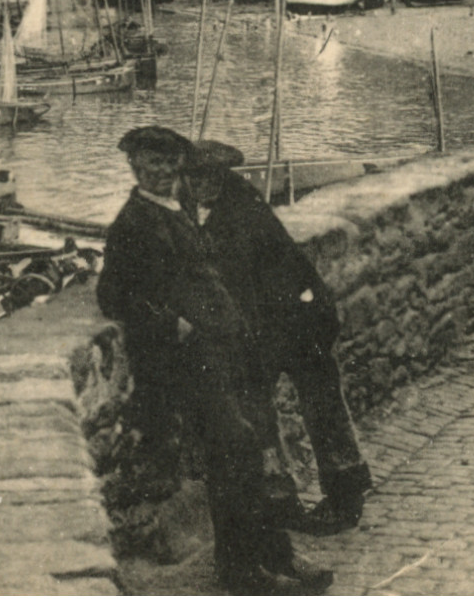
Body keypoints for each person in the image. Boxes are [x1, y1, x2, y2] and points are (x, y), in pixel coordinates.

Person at [98, 125, 329, 595]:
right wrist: (170, 325)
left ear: (177, 166)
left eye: (168, 163)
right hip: (190, 361)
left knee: (251, 455)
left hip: (227, 352)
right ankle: (243, 570)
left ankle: (275, 556)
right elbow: (112, 295)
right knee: (236, 453)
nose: (160, 171)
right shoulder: (133, 222)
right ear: (134, 166)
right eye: (150, 163)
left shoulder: (177, 208)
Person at [185, 140, 372, 536]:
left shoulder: (234, 216)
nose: (195, 183)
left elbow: (243, 286)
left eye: (203, 176)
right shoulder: (232, 202)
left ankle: (316, 497)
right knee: (312, 402)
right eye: (191, 176)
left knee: (284, 405)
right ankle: (330, 491)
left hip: (296, 320)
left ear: (219, 176)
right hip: (295, 313)